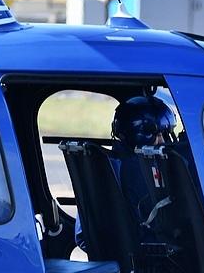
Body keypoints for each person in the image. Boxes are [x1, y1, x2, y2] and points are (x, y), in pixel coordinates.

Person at [75, 94, 178, 251]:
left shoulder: (108, 163)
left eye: (164, 134)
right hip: (145, 252)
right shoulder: (136, 169)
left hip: (115, 250)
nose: (163, 142)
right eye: (157, 135)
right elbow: (162, 222)